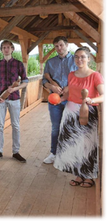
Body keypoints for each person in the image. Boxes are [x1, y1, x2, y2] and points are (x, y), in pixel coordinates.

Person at [54, 47, 104, 188]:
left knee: (87, 145)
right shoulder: (71, 75)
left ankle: (88, 176)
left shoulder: (95, 75)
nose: (79, 59)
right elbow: (69, 94)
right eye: (76, 57)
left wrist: (91, 101)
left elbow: (103, 95)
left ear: (89, 58)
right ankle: (78, 174)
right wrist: (59, 99)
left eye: (82, 57)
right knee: (72, 145)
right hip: (70, 113)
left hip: (87, 112)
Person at [0, 40, 28, 162]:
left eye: (8, 47)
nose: (6, 49)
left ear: (12, 49)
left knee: (16, 126)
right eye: (4, 47)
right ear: (1, 50)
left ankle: (16, 152)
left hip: (14, 99)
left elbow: (25, 81)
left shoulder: (19, 64)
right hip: (0, 99)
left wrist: (15, 89)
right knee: (0, 126)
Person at [41, 36, 77, 164]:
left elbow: (80, 78)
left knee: (71, 126)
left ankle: (70, 154)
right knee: (56, 127)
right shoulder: (50, 62)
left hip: (71, 99)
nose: (59, 48)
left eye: (61, 45)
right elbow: (44, 80)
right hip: (54, 101)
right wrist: (50, 86)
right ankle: (54, 153)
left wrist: (70, 87)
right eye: (56, 46)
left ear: (67, 45)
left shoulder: (75, 60)